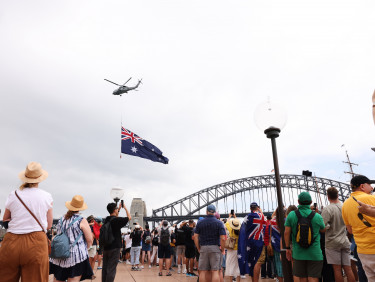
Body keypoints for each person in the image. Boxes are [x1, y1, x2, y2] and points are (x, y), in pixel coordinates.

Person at [0, 162, 53, 282]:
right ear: (40, 179)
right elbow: (49, 225)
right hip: (36, 242)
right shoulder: (47, 196)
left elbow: (5, 218)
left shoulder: (13, 194)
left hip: (11, 241)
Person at [49, 195, 94, 281]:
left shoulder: (61, 219)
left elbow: (58, 235)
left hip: (60, 255)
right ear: (80, 208)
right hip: (76, 256)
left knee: (58, 280)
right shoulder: (81, 220)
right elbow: (89, 240)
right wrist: (87, 248)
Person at [284, 192, 326, 282]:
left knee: (302, 277)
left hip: (298, 253)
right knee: (313, 277)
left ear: (298, 202)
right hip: (315, 253)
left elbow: (286, 232)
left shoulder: (291, 215)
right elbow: (323, 230)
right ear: (311, 202)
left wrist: (287, 248)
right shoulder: (317, 216)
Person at [342, 175, 375, 280]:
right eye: (369, 184)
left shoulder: (345, 205)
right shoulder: (372, 198)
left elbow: (350, 230)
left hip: (362, 250)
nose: (372, 187)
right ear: (362, 186)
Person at [321, 187, 355, 282]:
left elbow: (322, 228)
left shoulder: (327, 209)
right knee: (348, 268)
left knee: (337, 269)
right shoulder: (344, 206)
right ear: (338, 195)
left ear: (328, 197)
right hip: (344, 241)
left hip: (332, 243)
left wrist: (327, 227)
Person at [194, 204, 226, 282]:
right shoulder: (219, 223)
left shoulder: (200, 222)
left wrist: (198, 247)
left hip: (203, 248)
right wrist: (222, 249)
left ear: (206, 212)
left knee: (203, 271)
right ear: (215, 212)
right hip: (215, 248)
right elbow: (222, 238)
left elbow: (195, 237)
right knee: (215, 271)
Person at [102, 201, 131, 282]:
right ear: (114, 210)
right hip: (115, 248)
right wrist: (124, 208)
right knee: (111, 269)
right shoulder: (117, 220)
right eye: (116, 209)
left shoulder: (106, 220)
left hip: (106, 247)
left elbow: (115, 214)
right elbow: (129, 217)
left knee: (105, 268)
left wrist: (118, 208)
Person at [237, 202, 266, 282]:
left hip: (249, 243)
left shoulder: (247, 217)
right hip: (259, 242)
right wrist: (260, 211)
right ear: (257, 208)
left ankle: (253, 280)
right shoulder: (261, 216)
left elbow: (243, 230)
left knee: (251, 262)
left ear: (250, 208)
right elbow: (265, 224)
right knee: (258, 262)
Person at [224, 214, 241, 282]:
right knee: (238, 266)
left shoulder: (231, 230)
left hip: (231, 249)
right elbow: (238, 223)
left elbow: (227, 222)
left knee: (230, 265)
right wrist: (235, 217)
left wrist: (230, 216)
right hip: (238, 250)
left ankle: (231, 280)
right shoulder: (241, 230)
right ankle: (238, 281)